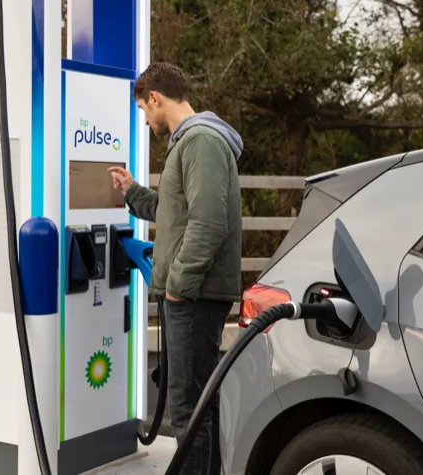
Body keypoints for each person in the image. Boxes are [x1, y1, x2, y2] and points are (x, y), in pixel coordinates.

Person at [107, 62, 243, 475]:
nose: (146, 121)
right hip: (190, 295)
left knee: (188, 408)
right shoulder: (191, 142)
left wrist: (178, 286)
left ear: (155, 98)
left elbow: (209, 223)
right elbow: (177, 212)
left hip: (194, 297)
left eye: (144, 112)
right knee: (199, 402)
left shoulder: (200, 141)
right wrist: (133, 193)